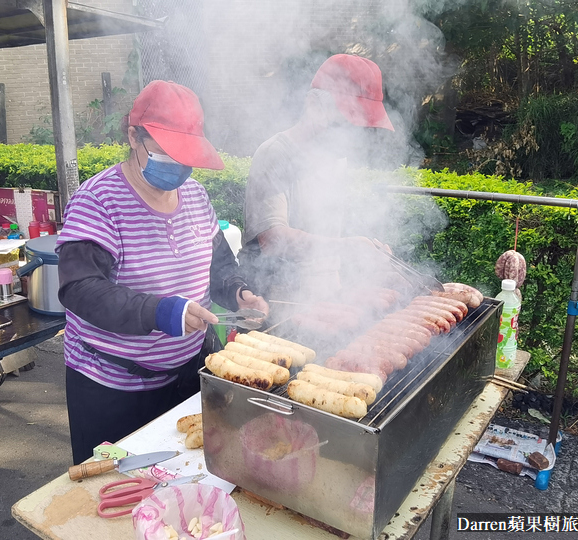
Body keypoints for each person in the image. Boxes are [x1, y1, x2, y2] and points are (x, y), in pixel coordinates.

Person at [56, 80, 268, 464]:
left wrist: (238, 292)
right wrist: (162, 311)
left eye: (186, 156)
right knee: (115, 495)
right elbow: (81, 290)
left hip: (186, 377)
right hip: (111, 389)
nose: (179, 166)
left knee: (182, 484)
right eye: (167, 152)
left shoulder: (196, 196)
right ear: (133, 136)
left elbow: (218, 264)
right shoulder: (97, 201)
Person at [239, 54, 400, 302]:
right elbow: (273, 240)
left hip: (328, 297)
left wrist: (367, 250)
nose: (351, 137)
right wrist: (348, 247)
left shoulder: (337, 159)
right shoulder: (275, 154)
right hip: (278, 301)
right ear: (314, 105)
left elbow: (329, 228)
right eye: (345, 124)